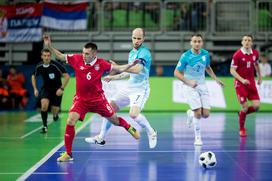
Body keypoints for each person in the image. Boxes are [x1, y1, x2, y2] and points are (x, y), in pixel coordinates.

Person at [43, 34, 141, 162]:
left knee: (115, 120)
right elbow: (61, 56)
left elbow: (118, 68)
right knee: (70, 121)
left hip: (98, 100)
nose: (84, 56)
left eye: (87, 54)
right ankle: (68, 153)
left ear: (94, 54)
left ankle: (129, 127)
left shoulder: (101, 64)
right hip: (81, 100)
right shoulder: (77, 59)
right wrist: (49, 46)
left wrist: (130, 65)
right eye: (83, 53)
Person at [85, 28, 157, 149]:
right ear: (131, 37)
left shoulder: (145, 53)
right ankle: (101, 137)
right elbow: (129, 73)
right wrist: (114, 77)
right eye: (134, 38)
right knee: (109, 108)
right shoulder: (132, 53)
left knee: (133, 114)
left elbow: (137, 70)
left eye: (139, 38)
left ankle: (151, 132)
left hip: (140, 89)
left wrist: (118, 66)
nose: (136, 41)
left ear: (143, 39)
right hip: (129, 86)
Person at [174, 34, 224, 146]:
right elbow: (176, 73)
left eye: (199, 41)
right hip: (189, 86)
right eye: (195, 41)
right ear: (191, 43)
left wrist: (216, 79)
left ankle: (190, 113)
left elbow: (207, 67)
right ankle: (197, 138)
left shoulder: (205, 54)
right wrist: (188, 82)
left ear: (202, 43)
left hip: (202, 85)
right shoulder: (185, 56)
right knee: (198, 113)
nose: (197, 43)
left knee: (205, 114)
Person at [31, 48, 70, 133]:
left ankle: (55, 115)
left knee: (55, 109)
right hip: (46, 89)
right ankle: (45, 126)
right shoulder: (39, 66)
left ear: (50, 56)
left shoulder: (56, 65)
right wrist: (35, 89)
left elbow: (67, 76)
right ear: (42, 56)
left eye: (48, 56)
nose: (46, 58)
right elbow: (33, 76)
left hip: (57, 89)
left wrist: (61, 88)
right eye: (44, 56)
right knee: (44, 106)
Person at [230, 34, 262, 137]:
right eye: (245, 40)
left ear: (252, 43)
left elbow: (256, 64)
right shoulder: (237, 55)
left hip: (251, 83)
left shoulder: (255, 53)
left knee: (257, 107)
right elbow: (232, 70)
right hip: (240, 84)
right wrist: (242, 80)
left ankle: (241, 114)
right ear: (242, 42)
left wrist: (260, 76)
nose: (247, 42)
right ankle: (242, 129)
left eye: (249, 40)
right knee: (245, 107)